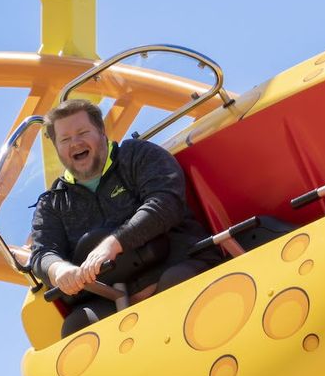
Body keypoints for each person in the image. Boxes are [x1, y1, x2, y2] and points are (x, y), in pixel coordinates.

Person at [29, 99, 222, 336]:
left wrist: (113, 244)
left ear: (101, 131)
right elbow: (42, 253)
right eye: (65, 139)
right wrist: (58, 270)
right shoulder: (53, 203)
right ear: (57, 148)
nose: (75, 143)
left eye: (82, 132)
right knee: (78, 327)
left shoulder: (136, 155)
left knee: (178, 285)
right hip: (111, 300)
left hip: (179, 265)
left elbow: (165, 202)